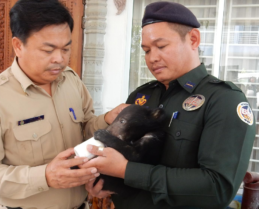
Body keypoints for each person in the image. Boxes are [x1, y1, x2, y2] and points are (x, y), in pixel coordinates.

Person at [84, 1, 256, 208]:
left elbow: (218, 188)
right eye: (146, 50)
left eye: (161, 46)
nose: (152, 58)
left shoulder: (223, 100)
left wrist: (125, 170)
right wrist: (102, 183)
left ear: (193, 39)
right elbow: (118, 155)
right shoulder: (141, 96)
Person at [0, 0, 127, 209]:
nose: (59, 59)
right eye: (48, 50)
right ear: (18, 46)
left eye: (66, 49)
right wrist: (44, 177)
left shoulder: (71, 81)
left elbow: (85, 129)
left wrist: (107, 120)